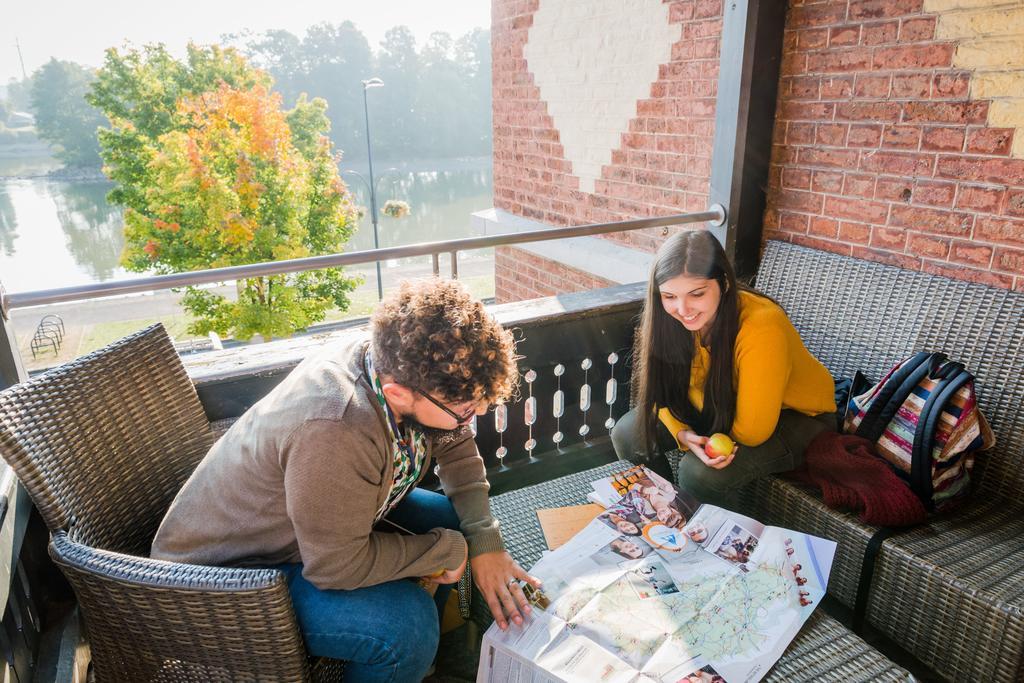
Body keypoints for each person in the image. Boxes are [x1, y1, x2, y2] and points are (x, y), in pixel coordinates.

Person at [152, 279, 539, 682]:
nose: (470, 419)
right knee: (405, 627)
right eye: (465, 410)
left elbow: (456, 446)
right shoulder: (335, 427)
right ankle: (412, 657)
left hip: (311, 527)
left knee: (457, 520)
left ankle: (442, 659)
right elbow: (336, 567)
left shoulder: (395, 363)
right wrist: (442, 551)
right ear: (398, 395)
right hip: (220, 580)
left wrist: (484, 540)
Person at [611, 230, 836, 509]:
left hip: (793, 418)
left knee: (699, 473)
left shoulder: (762, 326)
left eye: (697, 293)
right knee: (629, 434)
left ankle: (714, 539)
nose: (683, 309)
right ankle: (668, 512)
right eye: (669, 296)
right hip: (717, 407)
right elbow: (664, 391)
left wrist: (703, 438)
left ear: (725, 283)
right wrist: (683, 433)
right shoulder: (669, 318)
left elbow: (752, 431)